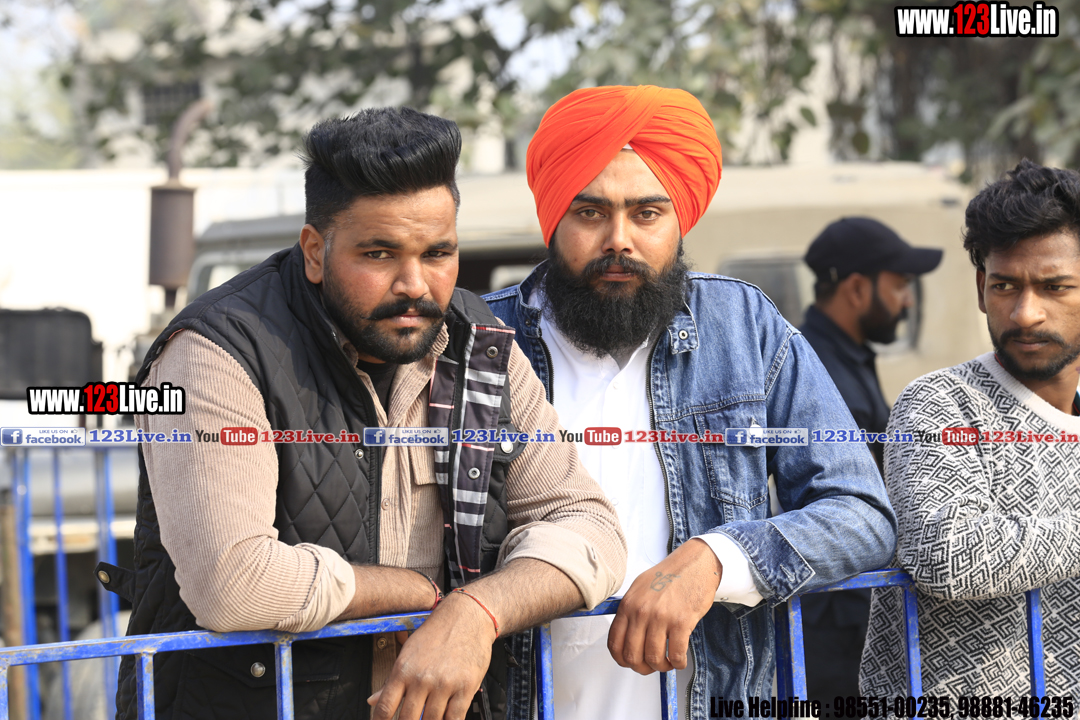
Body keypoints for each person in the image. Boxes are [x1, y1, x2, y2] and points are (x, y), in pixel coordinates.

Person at [99, 107, 626, 720]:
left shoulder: (480, 344)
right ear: (314, 252)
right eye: (379, 254)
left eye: (438, 253)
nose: (415, 284)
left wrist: (477, 611)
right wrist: (413, 594)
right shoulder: (215, 352)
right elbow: (233, 583)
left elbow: (590, 528)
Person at [484, 85, 897, 720]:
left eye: (647, 213)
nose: (619, 240)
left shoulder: (744, 327)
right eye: (590, 213)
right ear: (553, 217)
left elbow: (861, 513)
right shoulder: (483, 338)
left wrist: (718, 559)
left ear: (680, 221)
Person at [860, 159, 1080, 697]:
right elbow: (945, 552)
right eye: (1005, 286)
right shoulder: (941, 404)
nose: (1025, 313)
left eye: (1055, 287)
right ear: (982, 288)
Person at [797, 217, 942, 703]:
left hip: (850, 611)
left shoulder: (844, 356)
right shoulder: (820, 370)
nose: (907, 301)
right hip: (837, 620)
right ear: (858, 289)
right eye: (900, 284)